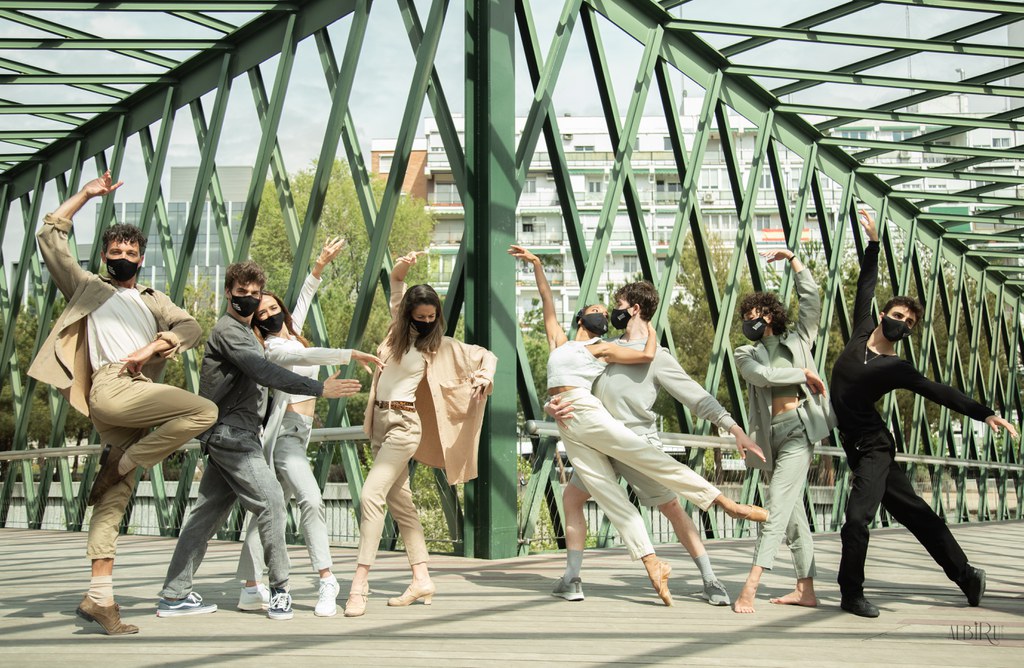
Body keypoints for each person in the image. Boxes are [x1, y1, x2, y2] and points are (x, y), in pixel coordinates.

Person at [511, 244, 767, 606]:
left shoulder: (651, 356)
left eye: (614, 305)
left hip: (632, 439)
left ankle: (710, 577)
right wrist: (555, 405)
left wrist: (733, 427)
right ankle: (573, 577)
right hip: (596, 439)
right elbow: (573, 384)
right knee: (572, 497)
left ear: (632, 309)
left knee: (672, 509)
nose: (609, 311)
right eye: (602, 308)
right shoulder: (603, 349)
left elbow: (695, 396)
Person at [27, 172, 218, 636]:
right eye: (115, 253)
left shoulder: (154, 299)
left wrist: (153, 347)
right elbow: (49, 235)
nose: (122, 259)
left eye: (131, 254)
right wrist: (86, 195)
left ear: (141, 259)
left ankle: (100, 597)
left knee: (114, 498)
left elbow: (191, 328)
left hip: (137, 396)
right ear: (105, 257)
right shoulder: (87, 287)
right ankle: (128, 460)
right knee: (203, 411)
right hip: (112, 387)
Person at [832, 209, 1019, 618]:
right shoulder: (863, 327)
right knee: (917, 515)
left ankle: (851, 593)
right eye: (898, 316)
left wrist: (984, 413)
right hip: (857, 445)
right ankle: (967, 575)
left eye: (910, 323)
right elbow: (866, 284)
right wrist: (874, 243)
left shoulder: (898, 368)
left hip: (874, 449)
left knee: (856, 520)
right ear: (884, 315)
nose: (902, 324)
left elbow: (941, 392)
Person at [157, 260, 361, 621]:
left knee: (204, 517)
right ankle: (281, 589)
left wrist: (315, 271)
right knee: (272, 504)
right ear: (228, 293)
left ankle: (175, 594)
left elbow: (291, 330)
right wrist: (319, 388)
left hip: (228, 433)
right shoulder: (230, 331)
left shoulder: (249, 332)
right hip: (234, 435)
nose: (250, 301)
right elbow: (264, 370)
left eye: (255, 295)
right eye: (243, 294)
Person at [345, 250, 497, 617]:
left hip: (405, 426)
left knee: (370, 495)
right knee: (403, 506)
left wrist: (485, 377)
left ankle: (358, 584)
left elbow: (485, 355)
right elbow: (396, 282)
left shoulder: (438, 345)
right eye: (422, 316)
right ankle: (422, 578)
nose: (428, 322)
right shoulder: (397, 333)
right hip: (380, 425)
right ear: (409, 313)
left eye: (433, 316)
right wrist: (404, 265)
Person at [235, 237, 382, 617]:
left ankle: (251, 587)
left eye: (273, 308)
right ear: (256, 321)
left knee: (269, 508)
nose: (269, 315)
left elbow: (302, 303)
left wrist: (318, 267)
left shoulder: (290, 333)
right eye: (262, 312)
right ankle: (326, 577)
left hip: (299, 433)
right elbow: (304, 355)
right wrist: (349, 354)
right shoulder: (272, 348)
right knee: (311, 499)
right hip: (283, 437)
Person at [732, 247, 836, 613]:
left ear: (771, 315)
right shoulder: (745, 353)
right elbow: (761, 377)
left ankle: (751, 584)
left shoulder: (799, 339)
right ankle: (805, 588)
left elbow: (812, 301)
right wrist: (803, 374)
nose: (749, 320)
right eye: (745, 316)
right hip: (768, 439)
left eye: (754, 314)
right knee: (793, 514)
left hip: (799, 430)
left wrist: (794, 260)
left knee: (776, 505)